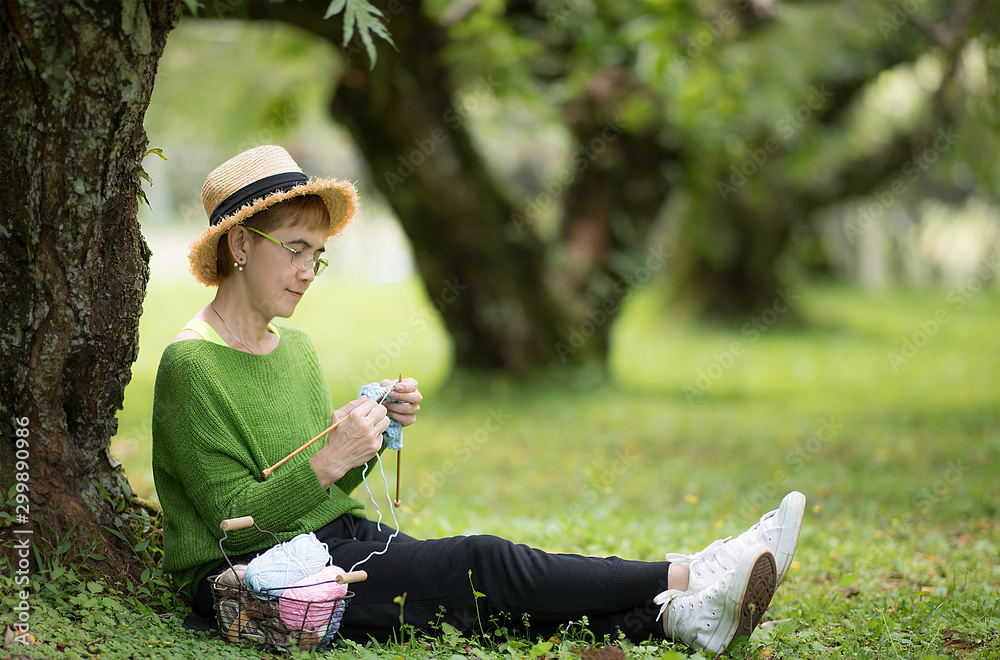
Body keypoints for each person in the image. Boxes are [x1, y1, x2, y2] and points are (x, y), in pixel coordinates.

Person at [151, 145, 806, 655]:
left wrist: (363, 441)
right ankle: (690, 574)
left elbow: (318, 486)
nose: (305, 272)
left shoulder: (294, 349)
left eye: (316, 257)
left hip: (331, 537)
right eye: (295, 250)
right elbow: (229, 524)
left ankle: (676, 617)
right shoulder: (191, 366)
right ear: (240, 244)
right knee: (478, 563)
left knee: (470, 595)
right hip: (255, 581)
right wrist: (328, 461)